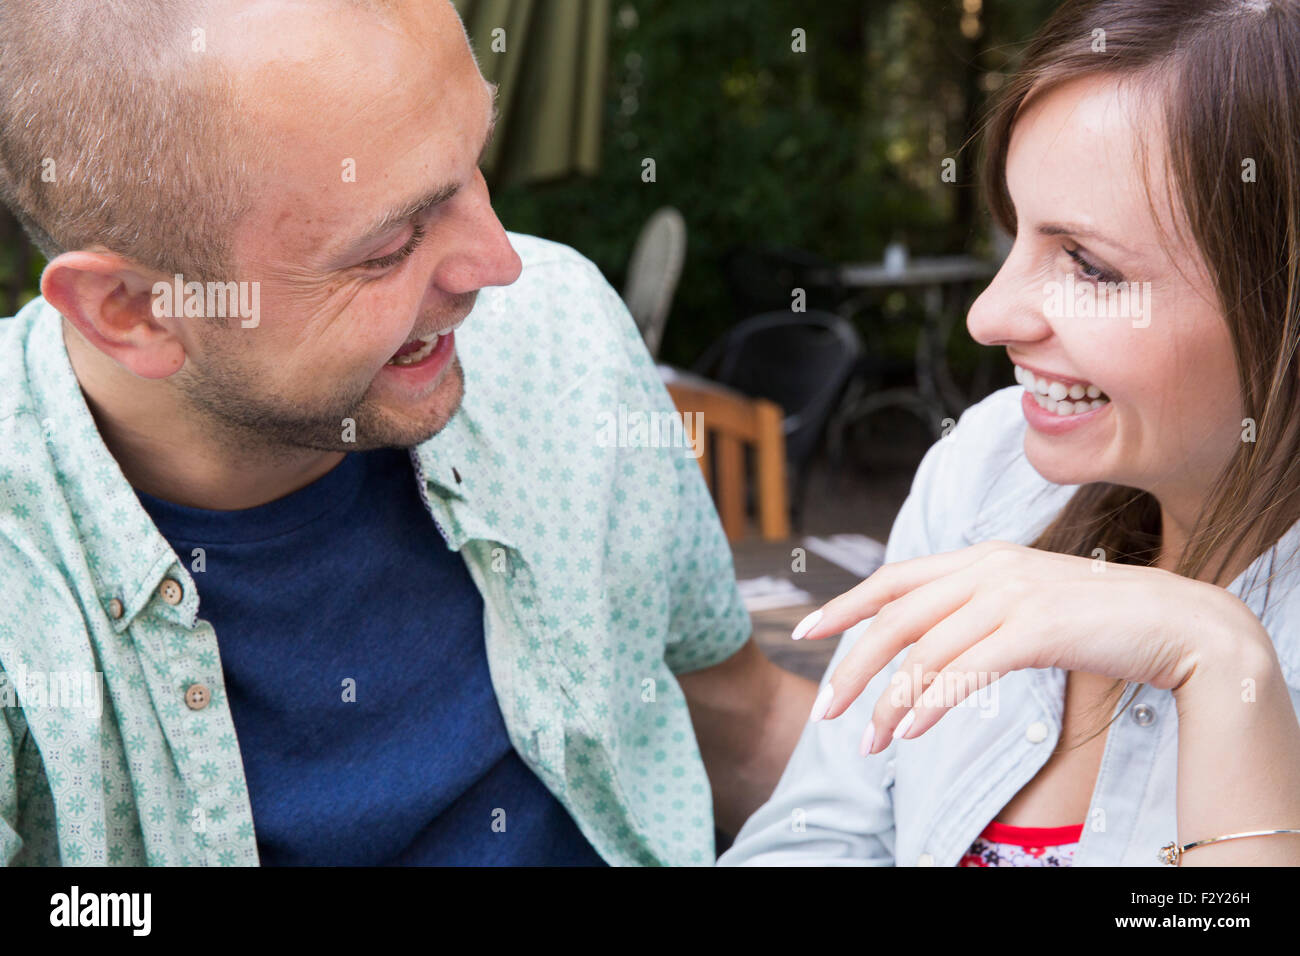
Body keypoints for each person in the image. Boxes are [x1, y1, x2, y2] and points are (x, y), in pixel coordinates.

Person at [0, 0, 817, 866]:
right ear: (134, 311)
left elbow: (742, 716)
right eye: (391, 245)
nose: (501, 263)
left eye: (474, 164)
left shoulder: (560, 332)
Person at [720, 0, 1300, 867]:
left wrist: (1217, 654)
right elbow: (817, 836)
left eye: (1091, 266)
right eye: (1015, 234)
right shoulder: (987, 467)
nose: (988, 317)